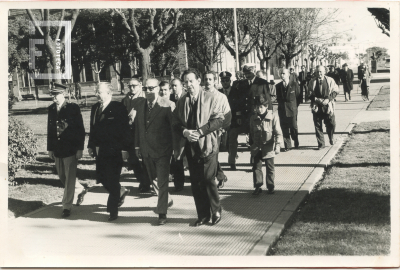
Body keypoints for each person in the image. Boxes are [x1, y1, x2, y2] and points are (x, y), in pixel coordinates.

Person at [173, 68, 228, 226]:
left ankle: (216, 209)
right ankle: (203, 215)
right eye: (186, 82)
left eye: (191, 81)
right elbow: (175, 122)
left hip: (208, 145)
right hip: (190, 147)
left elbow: (219, 120)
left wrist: (201, 131)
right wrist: (184, 132)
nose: (188, 84)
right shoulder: (182, 101)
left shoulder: (211, 98)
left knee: (208, 178)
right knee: (196, 182)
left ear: (199, 81)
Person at [88, 82, 131, 221]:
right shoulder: (95, 108)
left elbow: (125, 130)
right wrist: (90, 145)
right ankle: (120, 191)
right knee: (101, 178)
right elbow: (92, 128)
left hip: (115, 150)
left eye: (99, 92)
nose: (97, 94)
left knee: (112, 178)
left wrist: (125, 149)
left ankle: (113, 211)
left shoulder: (118, 107)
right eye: (96, 91)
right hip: (100, 150)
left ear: (109, 93)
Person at [135, 78, 175, 225]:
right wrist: (137, 147)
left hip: (162, 151)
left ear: (158, 89)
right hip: (145, 150)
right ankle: (166, 199)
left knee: (162, 181)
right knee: (154, 180)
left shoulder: (168, 105)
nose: (148, 92)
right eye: (146, 89)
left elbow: (173, 129)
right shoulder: (140, 104)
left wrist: (175, 150)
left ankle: (162, 213)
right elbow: (138, 127)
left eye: (152, 88)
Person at [47, 82, 86, 218]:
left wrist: (80, 148)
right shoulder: (51, 108)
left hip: (70, 148)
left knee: (69, 179)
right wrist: (50, 149)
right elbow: (50, 130)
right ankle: (80, 189)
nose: (53, 97)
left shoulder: (72, 108)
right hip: (57, 149)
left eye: (56, 94)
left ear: (63, 94)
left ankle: (66, 206)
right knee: (62, 177)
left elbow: (80, 129)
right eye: (52, 94)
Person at [121, 78, 151, 193]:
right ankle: (142, 181)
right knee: (133, 161)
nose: (132, 88)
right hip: (128, 135)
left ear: (140, 85)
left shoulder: (143, 99)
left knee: (144, 161)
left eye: (134, 85)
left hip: (141, 135)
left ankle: (146, 183)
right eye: (130, 86)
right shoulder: (125, 100)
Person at [249, 94, 283, 195]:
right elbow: (251, 132)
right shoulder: (253, 118)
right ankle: (258, 186)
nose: (259, 109)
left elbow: (278, 132)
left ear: (266, 106)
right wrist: (251, 146)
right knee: (256, 168)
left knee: (270, 168)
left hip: (269, 148)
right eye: (257, 107)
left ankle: (270, 186)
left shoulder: (273, 116)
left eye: (261, 107)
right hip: (257, 147)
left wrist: (277, 146)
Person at [203, 71, 231, 189]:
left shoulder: (220, 96)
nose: (208, 81)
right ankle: (219, 176)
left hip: (216, 131)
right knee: (207, 155)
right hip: (203, 131)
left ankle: (213, 180)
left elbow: (227, 115)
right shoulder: (201, 95)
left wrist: (222, 128)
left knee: (213, 154)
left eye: (210, 79)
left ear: (214, 81)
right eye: (206, 79)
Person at [220, 71, 250, 171]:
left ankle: (232, 162)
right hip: (222, 121)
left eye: (227, 80)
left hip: (234, 120)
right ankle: (232, 154)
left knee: (232, 141)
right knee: (226, 143)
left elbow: (240, 105)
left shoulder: (236, 91)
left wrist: (239, 117)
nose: (225, 82)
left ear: (230, 81)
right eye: (223, 81)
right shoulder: (219, 93)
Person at [308, 65, 339, 150]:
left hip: (328, 106)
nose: (319, 73)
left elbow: (336, 90)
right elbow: (309, 93)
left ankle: (331, 136)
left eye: (321, 71)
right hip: (317, 106)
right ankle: (321, 144)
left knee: (332, 124)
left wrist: (328, 99)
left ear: (324, 72)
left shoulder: (330, 80)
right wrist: (316, 99)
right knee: (317, 126)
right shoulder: (312, 81)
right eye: (317, 72)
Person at [275, 68, 300, 151]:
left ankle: (295, 139)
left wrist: (295, 106)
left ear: (288, 74)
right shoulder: (278, 86)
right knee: (284, 127)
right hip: (282, 110)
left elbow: (298, 97)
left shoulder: (294, 84)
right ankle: (287, 146)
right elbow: (278, 98)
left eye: (284, 73)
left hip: (292, 109)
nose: (282, 75)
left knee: (293, 127)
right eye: (281, 73)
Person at [168, 78, 186, 191]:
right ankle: (178, 185)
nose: (174, 88)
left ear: (181, 86)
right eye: (172, 86)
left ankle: (219, 174)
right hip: (177, 132)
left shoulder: (186, 96)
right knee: (177, 158)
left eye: (175, 85)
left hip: (188, 130)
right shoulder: (170, 99)